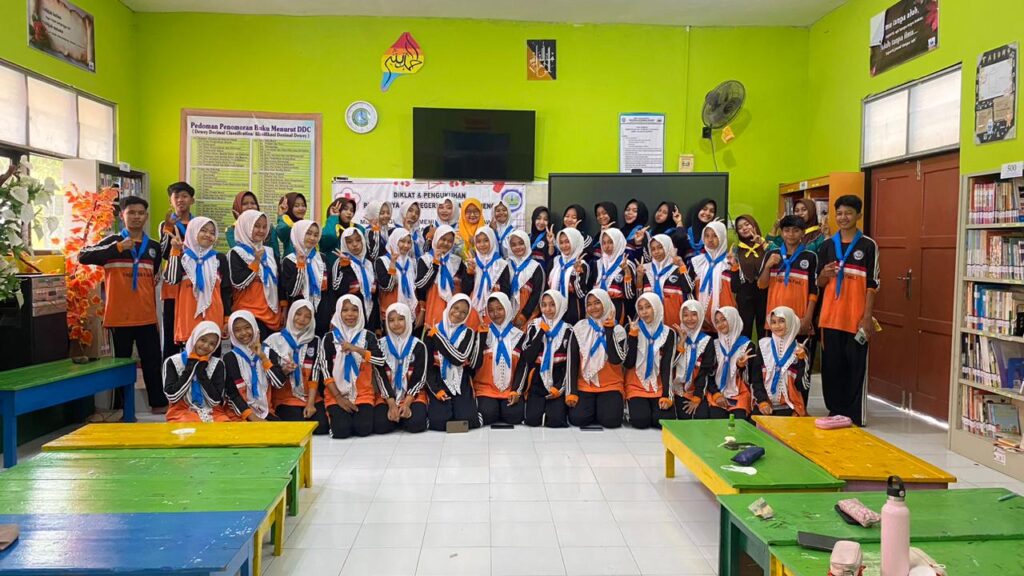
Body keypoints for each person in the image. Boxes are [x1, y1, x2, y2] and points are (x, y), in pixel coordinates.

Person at [79, 196, 165, 413]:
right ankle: (120, 408)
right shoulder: (113, 242)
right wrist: (117, 248)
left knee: (152, 361)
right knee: (120, 365)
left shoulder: (154, 247)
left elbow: (154, 275)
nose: (136, 217)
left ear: (146, 216)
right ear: (122, 216)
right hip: (119, 317)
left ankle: (158, 403)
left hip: (146, 316)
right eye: (131, 213)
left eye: (140, 213)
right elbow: (83, 256)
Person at [816, 195, 878, 426]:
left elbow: (873, 284)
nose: (843, 217)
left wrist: (867, 316)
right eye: (839, 213)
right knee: (832, 367)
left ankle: (854, 415)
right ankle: (835, 411)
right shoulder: (826, 246)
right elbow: (818, 283)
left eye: (848, 213)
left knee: (855, 367)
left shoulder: (868, 245)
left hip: (855, 318)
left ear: (858, 215)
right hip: (830, 317)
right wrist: (824, 275)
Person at [758, 214, 818, 404]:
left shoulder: (810, 257)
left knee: (799, 366)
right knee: (773, 364)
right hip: (774, 322)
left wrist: (808, 318)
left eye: (795, 230)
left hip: (799, 322)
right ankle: (773, 403)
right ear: (781, 233)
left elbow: (814, 291)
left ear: (802, 233)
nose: (790, 234)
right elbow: (761, 284)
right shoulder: (772, 255)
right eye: (786, 230)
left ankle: (799, 406)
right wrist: (768, 266)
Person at [317, 295, 387, 439]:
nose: (350, 314)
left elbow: (380, 360)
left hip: (362, 394)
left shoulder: (368, 336)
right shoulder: (329, 338)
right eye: (345, 310)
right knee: (341, 431)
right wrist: (338, 398)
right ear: (338, 312)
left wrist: (355, 349)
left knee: (363, 429)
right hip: (336, 394)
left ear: (360, 312)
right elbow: (325, 371)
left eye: (355, 310)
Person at [164, 217, 231, 346]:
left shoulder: (219, 259)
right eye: (203, 230)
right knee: (190, 357)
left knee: (212, 356)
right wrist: (175, 250)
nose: (208, 235)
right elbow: (172, 279)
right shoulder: (182, 257)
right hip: (188, 318)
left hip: (214, 318)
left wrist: (227, 319)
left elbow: (226, 291)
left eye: (212, 233)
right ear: (193, 232)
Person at [517, 290, 578, 428]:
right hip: (537, 378)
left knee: (556, 421)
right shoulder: (534, 325)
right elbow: (528, 357)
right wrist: (541, 333)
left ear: (560, 305)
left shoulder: (568, 330)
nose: (547, 309)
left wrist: (560, 388)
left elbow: (570, 364)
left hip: (558, 376)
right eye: (544, 305)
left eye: (552, 305)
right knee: (532, 420)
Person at [265, 300, 328, 433]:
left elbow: (315, 374)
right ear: (291, 314)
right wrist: (284, 370)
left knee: (322, 426)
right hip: (285, 398)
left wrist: (310, 403)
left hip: (310, 396)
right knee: (296, 427)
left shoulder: (315, 341)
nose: (302, 319)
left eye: (307, 316)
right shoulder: (274, 340)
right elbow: (269, 375)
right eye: (298, 314)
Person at [567, 289, 626, 429]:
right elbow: (572, 362)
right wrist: (571, 392)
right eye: (589, 304)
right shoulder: (580, 328)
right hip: (585, 384)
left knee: (611, 421)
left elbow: (616, 359)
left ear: (605, 303)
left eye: (597, 303)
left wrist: (609, 330)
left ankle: (601, 408)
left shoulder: (618, 330)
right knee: (577, 419)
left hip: (610, 384)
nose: (593, 307)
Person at [162, 321, 241, 422]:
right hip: (181, 411)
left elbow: (215, 401)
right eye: (203, 340)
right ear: (195, 337)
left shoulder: (217, 364)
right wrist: (190, 367)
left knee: (225, 428)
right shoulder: (173, 361)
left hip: (213, 411)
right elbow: (172, 396)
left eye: (212, 344)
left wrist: (201, 373)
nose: (206, 346)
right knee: (192, 426)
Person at [425, 294, 481, 431]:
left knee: (468, 420)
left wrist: (437, 336)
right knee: (438, 422)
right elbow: (427, 367)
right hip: (438, 379)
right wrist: (436, 390)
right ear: (449, 307)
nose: (458, 314)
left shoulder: (468, 333)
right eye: (455, 308)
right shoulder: (432, 331)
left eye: (464, 312)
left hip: (460, 379)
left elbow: (459, 358)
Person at [624, 293, 677, 429]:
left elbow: (667, 367)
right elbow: (628, 363)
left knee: (662, 422)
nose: (644, 312)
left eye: (648, 307)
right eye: (640, 308)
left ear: (656, 307)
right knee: (641, 421)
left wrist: (667, 395)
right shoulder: (631, 328)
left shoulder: (669, 333)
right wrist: (633, 336)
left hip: (657, 385)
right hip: (635, 384)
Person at [472, 293, 527, 426]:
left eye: (499, 308)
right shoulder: (483, 332)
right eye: (491, 310)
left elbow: (523, 366)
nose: (495, 314)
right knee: (488, 414)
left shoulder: (519, 336)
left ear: (507, 308)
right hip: (485, 389)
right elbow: (474, 364)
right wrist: (481, 338)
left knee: (514, 416)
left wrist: (516, 391)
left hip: (510, 389)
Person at [222, 310, 286, 421]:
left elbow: (278, 383)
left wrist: (263, 358)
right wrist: (253, 418)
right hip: (240, 414)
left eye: (247, 327)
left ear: (254, 327)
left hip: (265, 412)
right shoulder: (230, 358)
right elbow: (232, 394)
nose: (243, 333)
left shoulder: (267, 352)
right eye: (237, 330)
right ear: (232, 333)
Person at [227, 210, 281, 340]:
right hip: (248, 315)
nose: (261, 230)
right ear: (246, 226)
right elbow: (238, 282)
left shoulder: (269, 252)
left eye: (264, 227)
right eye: (256, 226)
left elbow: (278, 282)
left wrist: (283, 308)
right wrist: (256, 262)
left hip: (272, 314)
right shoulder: (236, 252)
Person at [376, 303, 429, 434]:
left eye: (401, 319)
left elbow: (419, 378)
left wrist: (406, 404)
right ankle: (397, 416)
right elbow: (380, 377)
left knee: (416, 425)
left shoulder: (419, 346)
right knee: (380, 426)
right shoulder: (380, 346)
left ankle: (403, 415)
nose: (396, 324)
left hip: (412, 396)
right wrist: (391, 404)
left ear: (408, 320)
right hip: (386, 397)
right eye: (391, 320)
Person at [159, 181, 195, 358]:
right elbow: (164, 253)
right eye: (176, 197)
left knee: (193, 331)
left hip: (193, 283)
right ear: (170, 201)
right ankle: (170, 370)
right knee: (171, 332)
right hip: (173, 285)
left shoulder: (198, 224)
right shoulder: (166, 225)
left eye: (185, 196)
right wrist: (168, 229)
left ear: (192, 200)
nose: (180, 200)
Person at [753, 306, 808, 417]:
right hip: (765, 404)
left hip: (790, 406)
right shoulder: (763, 346)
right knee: (753, 424)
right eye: (773, 322)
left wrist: (802, 362)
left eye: (782, 321)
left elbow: (801, 386)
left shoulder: (799, 350)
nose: (777, 326)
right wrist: (762, 401)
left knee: (784, 426)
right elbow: (756, 379)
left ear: (790, 322)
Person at [417, 225, 474, 329]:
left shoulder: (456, 261)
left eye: (450, 241)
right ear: (436, 238)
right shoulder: (426, 259)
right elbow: (421, 286)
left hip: (455, 309)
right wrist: (435, 264)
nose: (446, 243)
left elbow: (466, 289)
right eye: (443, 239)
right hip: (434, 305)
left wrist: (469, 273)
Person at [280, 220, 331, 336]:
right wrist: (301, 266)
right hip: (299, 314)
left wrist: (331, 312)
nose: (312, 238)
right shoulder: (289, 260)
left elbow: (329, 289)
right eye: (308, 233)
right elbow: (292, 291)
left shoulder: (322, 258)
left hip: (322, 312)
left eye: (316, 235)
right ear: (299, 233)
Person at [706, 306, 755, 419]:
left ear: (733, 319)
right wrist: (716, 394)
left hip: (740, 394)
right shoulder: (714, 345)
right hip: (717, 392)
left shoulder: (747, 345)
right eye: (717, 321)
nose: (720, 324)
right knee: (717, 420)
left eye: (724, 319)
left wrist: (741, 367)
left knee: (738, 422)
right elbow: (708, 374)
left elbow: (752, 378)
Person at [671, 300, 716, 420]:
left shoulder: (707, 341)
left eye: (694, 314)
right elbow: (670, 366)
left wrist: (697, 396)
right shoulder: (674, 336)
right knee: (684, 418)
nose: (690, 319)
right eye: (685, 315)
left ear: (700, 316)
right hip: (677, 389)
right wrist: (681, 342)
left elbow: (705, 372)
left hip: (696, 389)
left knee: (701, 417)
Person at [689, 221, 737, 330]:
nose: (710, 239)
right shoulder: (697, 262)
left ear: (722, 237)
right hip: (702, 321)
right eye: (707, 236)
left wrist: (734, 267)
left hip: (725, 320)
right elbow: (689, 288)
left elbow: (738, 288)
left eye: (715, 236)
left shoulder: (729, 262)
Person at [333, 227, 380, 333]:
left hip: (370, 314)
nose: (355, 244)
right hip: (350, 317)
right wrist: (346, 267)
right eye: (349, 242)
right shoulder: (340, 262)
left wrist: (377, 325)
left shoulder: (369, 264)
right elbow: (338, 291)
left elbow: (374, 296)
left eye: (358, 240)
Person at [641, 234, 691, 330]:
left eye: (660, 247)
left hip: (674, 320)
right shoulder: (645, 269)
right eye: (653, 249)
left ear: (668, 247)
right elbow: (640, 296)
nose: (656, 252)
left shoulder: (677, 268)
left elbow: (688, 289)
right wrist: (639, 277)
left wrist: (682, 266)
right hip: (652, 321)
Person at [733, 214, 769, 341]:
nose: (744, 228)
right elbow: (734, 281)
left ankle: (764, 353)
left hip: (764, 292)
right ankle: (745, 353)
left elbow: (777, 260)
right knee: (744, 328)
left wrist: (762, 243)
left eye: (747, 224)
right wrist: (733, 265)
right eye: (739, 227)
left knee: (764, 328)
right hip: (744, 292)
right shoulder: (736, 250)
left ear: (754, 225)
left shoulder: (766, 245)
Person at [375, 228, 420, 329]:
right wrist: (392, 264)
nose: (406, 245)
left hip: (410, 310)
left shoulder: (411, 262)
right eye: (402, 241)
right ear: (394, 241)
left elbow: (415, 288)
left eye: (409, 242)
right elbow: (387, 287)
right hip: (391, 312)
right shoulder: (382, 261)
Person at [549, 228, 592, 325]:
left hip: (574, 312)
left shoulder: (582, 264)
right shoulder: (555, 261)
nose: (564, 246)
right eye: (561, 242)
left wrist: (576, 274)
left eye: (567, 242)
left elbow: (581, 294)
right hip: (554, 310)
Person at [594, 228, 636, 323]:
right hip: (597, 308)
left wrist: (627, 272)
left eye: (610, 242)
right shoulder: (598, 264)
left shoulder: (627, 264)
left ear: (618, 242)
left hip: (617, 309)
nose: (606, 246)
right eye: (604, 243)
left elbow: (629, 296)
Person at [506, 230, 545, 329]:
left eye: (521, 243)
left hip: (528, 315)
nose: (517, 247)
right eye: (513, 245)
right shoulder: (506, 265)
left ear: (527, 243)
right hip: (507, 314)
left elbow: (537, 294)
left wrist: (524, 315)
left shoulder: (535, 267)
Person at [469, 227, 511, 319]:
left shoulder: (501, 264)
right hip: (473, 308)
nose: (482, 244)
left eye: (486, 240)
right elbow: (466, 289)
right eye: (478, 241)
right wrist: (470, 273)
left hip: (494, 309)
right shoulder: (472, 263)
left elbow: (506, 290)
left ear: (492, 240)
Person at [320, 196, 358, 271]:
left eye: (352, 210)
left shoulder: (358, 229)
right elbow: (329, 236)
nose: (349, 213)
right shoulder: (329, 228)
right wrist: (333, 217)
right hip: (331, 272)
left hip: (353, 272)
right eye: (345, 209)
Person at [682, 198, 718, 263]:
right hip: (686, 268)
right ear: (698, 210)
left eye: (712, 211)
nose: (707, 213)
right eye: (704, 209)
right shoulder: (687, 232)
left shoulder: (716, 233)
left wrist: (714, 229)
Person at [620, 198, 650, 264]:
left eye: (635, 211)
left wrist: (638, 244)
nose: (629, 213)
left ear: (641, 213)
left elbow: (647, 260)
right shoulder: (620, 232)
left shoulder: (643, 233)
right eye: (627, 210)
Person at [529, 206, 555, 272]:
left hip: (542, 273)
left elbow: (551, 256)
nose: (541, 222)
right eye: (538, 218)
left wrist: (551, 243)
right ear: (533, 219)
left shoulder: (550, 237)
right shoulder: (528, 237)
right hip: (527, 273)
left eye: (545, 219)